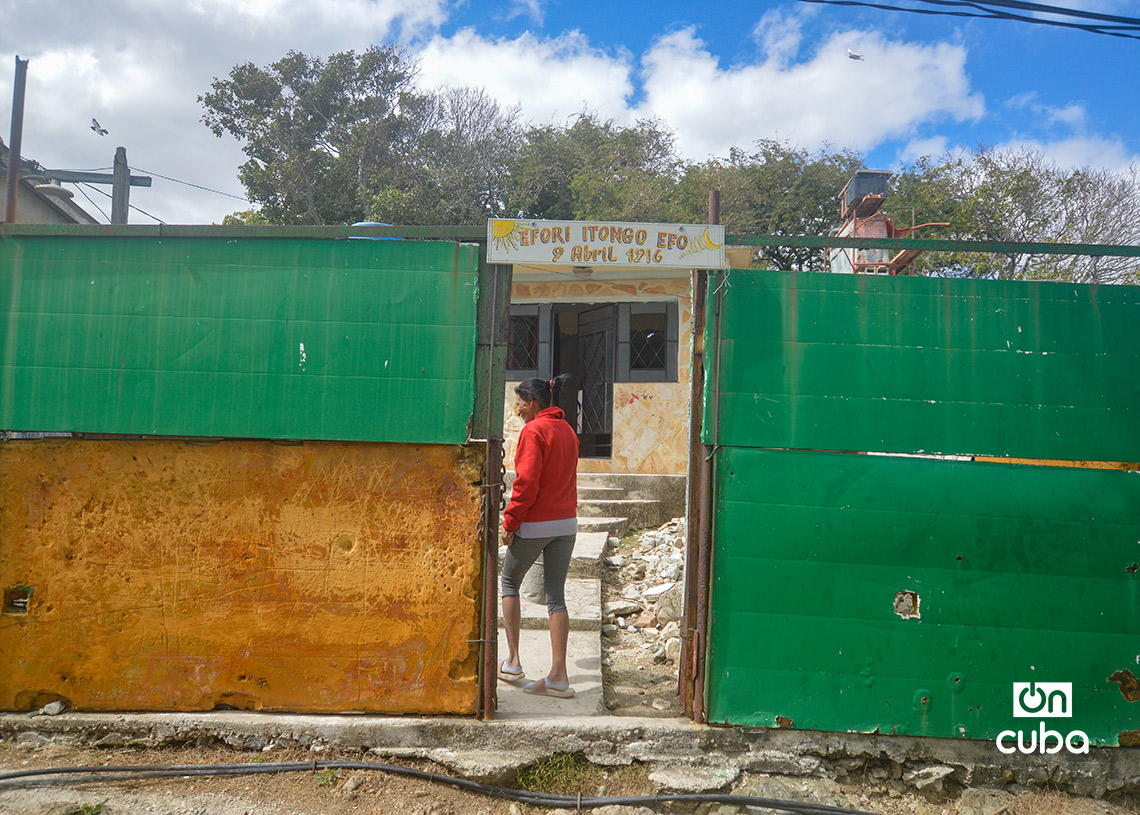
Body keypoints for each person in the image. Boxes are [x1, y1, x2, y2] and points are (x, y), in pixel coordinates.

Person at [499, 374, 579, 698]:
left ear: (532, 403)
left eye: (518, 403)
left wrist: (510, 521)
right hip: (566, 524)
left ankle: (514, 662)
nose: (517, 409)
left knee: (508, 583)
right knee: (556, 598)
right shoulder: (568, 430)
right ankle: (559, 676)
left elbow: (526, 483)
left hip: (535, 525)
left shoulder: (534, 431)